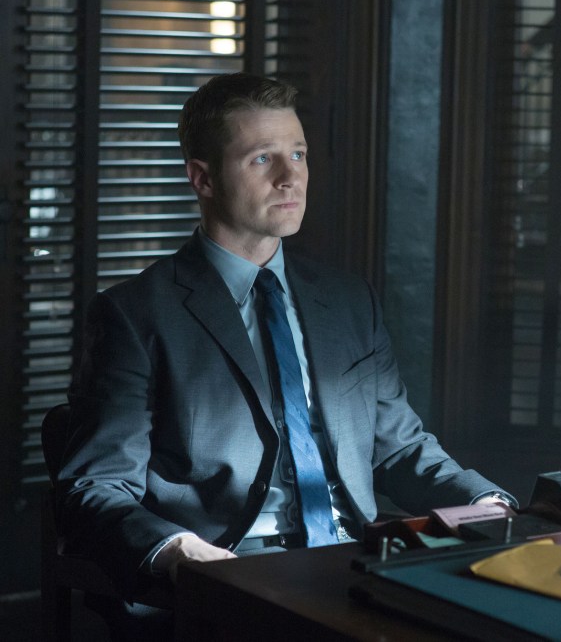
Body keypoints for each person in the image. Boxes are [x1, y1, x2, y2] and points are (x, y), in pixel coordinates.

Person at [55, 73, 514, 636]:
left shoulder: (348, 301)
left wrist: (489, 504)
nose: (290, 176)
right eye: (262, 159)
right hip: (231, 570)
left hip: (359, 561)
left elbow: (399, 448)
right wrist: (180, 551)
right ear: (202, 178)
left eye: (298, 154)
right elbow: (95, 489)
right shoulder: (134, 315)